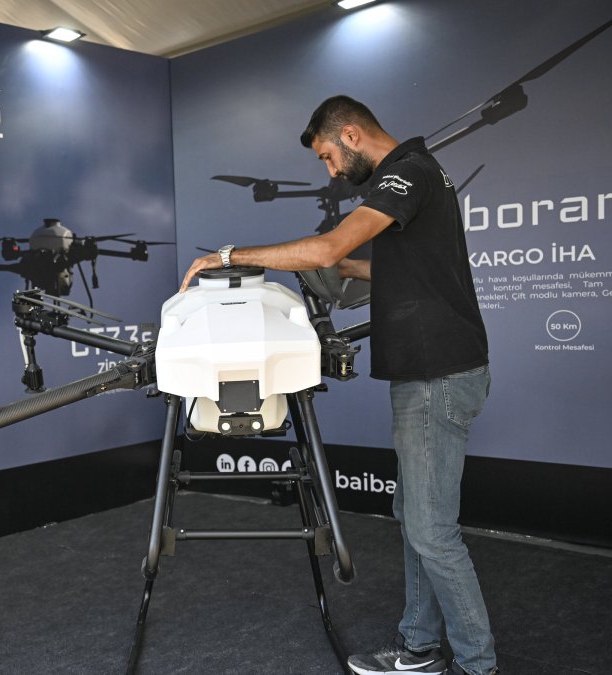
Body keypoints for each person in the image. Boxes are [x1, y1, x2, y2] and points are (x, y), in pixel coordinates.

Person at [180, 95, 496, 675]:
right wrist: (348, 269)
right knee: (416, 518)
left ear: (350, 135)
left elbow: (327, 246)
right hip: (433, 372)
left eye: (328, 156)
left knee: (431, 530)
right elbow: (405, 266)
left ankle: (479, 666)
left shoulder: (407, 173)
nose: (329, 171)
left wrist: (226, 256)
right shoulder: (420, 173)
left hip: (437, 375)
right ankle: (419, 649)